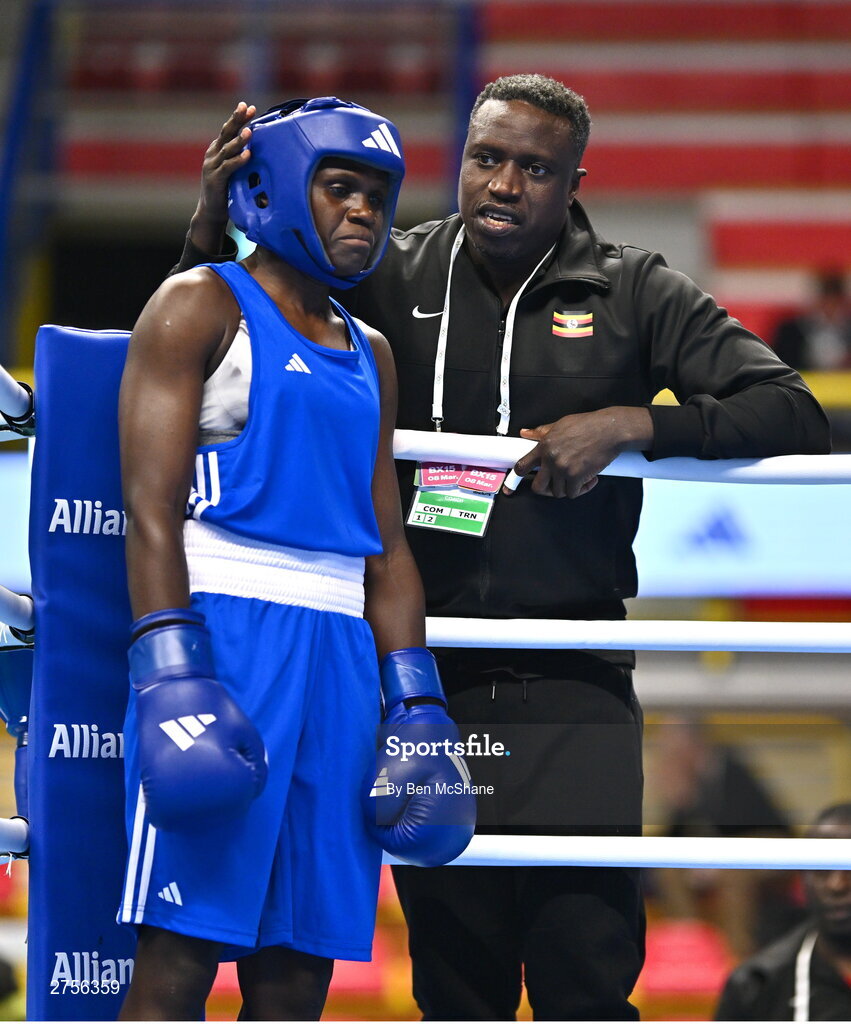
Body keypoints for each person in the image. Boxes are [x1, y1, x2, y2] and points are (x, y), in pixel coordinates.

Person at [173, 76, 831, 1021]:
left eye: (534, 168)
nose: (504, 184)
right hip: (419, 676)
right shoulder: (387, 272)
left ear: (573, 183)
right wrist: (212, 215)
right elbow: (227, 313)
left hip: (573, 673)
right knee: (454, 983)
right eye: (487, 159)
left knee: (585, 976)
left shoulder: (633, 288)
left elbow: (794, 411)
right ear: (462, 163)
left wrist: (626, 425)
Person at [116, 97, 473, 1022]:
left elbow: (388, 547)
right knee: (181, 948)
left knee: (298, 968)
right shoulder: (198, 305)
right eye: (340, 187)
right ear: (271, 192)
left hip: (341, 660)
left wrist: (417, 701)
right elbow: (148, 511)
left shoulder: (373, 352)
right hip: (224, 639)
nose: (364, 211)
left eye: (379, 194)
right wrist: (170, 669)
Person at [650, 718, 801, 958]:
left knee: (732, 873)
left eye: (671, 744)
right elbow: (676, 834)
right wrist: (679, 802)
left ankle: (738, 959)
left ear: (692, 742)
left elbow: (738, 826)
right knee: (669, 870)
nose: (667, 752)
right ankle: (692, 950)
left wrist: (709, 862)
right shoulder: (687, 778)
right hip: (723, 852)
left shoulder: (729, 767)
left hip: (770, 846)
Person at [714, 802, 851, 1021]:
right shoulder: (755, 985)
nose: (837, 884)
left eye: (849, 867)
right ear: (802, 878)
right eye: (822, 868)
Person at [772, 270, 851, 373]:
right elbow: (777, 366)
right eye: (825, 298)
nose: (830, 305)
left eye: (834, 300)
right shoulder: (790, 332)